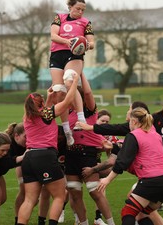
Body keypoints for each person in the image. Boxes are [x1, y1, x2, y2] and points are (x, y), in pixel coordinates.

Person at [16, 72, 79, 225]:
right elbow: (68, 101)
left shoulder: (27, 117)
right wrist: (75, 81)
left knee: (30, 199)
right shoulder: (45, 113)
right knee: (60, 195)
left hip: (29, 158)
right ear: (40, 104)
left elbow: (45, 114)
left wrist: (49, 97)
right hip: (45, 156)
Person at [97, 107, 163, 225]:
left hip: (151, 181)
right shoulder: (155, 134)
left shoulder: (133, 135)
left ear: (133, 121)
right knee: (142, 213)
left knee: (127, 212)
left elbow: (122, 161)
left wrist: (107, 179)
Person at [64, 73, 115, 225]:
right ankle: (84, 223)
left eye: (72, 95)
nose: (69, 98)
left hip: (87, 154)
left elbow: (87, 93)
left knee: (95, 192)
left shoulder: (90, 111)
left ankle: (111, 223)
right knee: (74, 193)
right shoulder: (67, 111)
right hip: (71, 154)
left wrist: (80, 73)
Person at [49, 0, 95, 146]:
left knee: (70, 80)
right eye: (77, 9)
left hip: (74, 55)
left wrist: (85, 45)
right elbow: (53, 36)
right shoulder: (59, 18)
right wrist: (68, 41)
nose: (80, 12)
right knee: (59, 91)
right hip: (57, 55)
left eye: (83, 9)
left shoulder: (86, 22)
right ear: (70, 7)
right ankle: (67, 131)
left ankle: (81, 119)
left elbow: (92, 42)